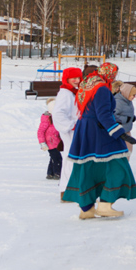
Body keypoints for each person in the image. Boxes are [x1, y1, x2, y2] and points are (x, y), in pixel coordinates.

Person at [63, 62, 136, 218]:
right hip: (100, 131)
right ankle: (105, 204)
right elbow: (103, 114)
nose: (114, 77)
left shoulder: (87, 84)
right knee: (117, 165)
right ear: (109, 74)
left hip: (85, 130)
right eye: (114, 74)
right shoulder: (102, 88)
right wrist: (120, 133)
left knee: (88, 166)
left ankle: (86, 208)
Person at [54, 67, 82, 200]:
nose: (77, 81)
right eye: (74, 78)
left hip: (73, 130)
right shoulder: (65, 93)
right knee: (71, 159)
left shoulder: (71, 92)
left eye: (78, 78)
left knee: (72, 159)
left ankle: (69, 190)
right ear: (67, 79)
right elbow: (58, 114)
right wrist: (71, 126)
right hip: (70, 131)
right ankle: (67, 191)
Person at [38, 99, 63, 180]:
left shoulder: (56, 117)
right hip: (50, 143)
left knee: (53, 157)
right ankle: (57, 173)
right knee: (57, 158)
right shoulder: (47, 118)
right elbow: (40, 131)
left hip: (56, 142)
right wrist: (42, 143)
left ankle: (50, 173)